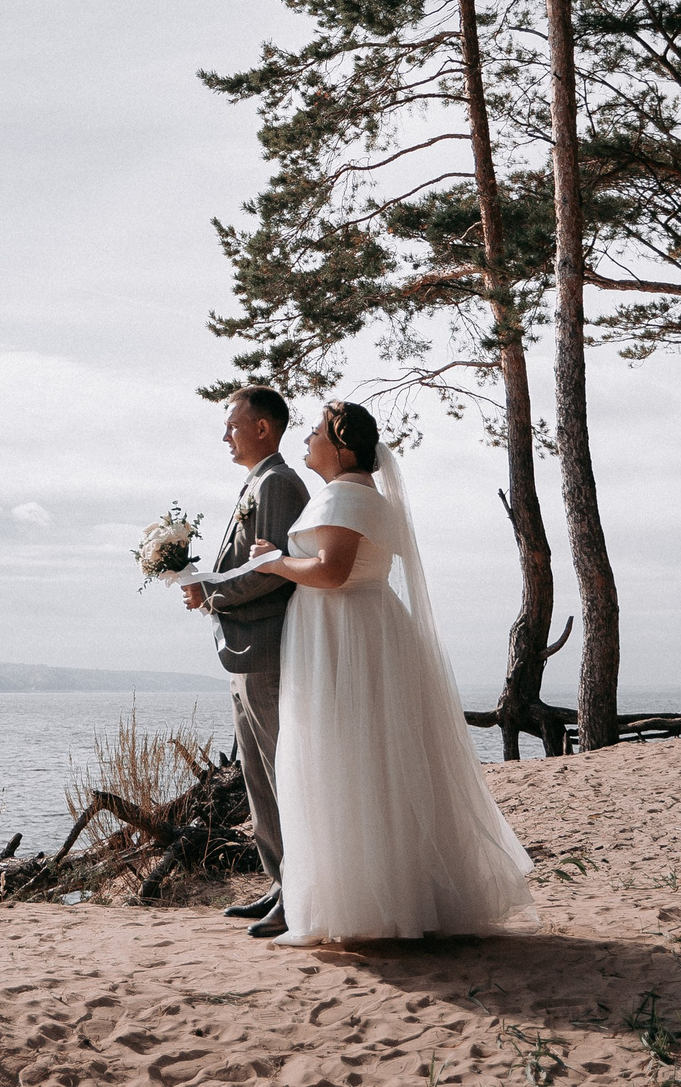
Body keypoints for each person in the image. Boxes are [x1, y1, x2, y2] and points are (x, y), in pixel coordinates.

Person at [243, 400, 536, 943]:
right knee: (368, 760)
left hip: (344, 636)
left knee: (346, 759)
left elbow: (332, 572)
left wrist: (274, 561)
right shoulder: (355, 495)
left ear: (343, 446)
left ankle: (362, 904)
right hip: (355, 632)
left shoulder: (345, 496)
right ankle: (363, 891)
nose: (306, 439)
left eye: (315, 432)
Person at [182, 386, 307, 936]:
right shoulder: (256, 482)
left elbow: (270, 571)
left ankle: (300, 891)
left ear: (263, 428)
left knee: (282, 773)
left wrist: (210, 593)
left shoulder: (278, 483)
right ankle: (279, 882)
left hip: (266, 647)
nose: (224, 436)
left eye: (233, 425)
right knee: (256, 775)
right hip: (243, 649)